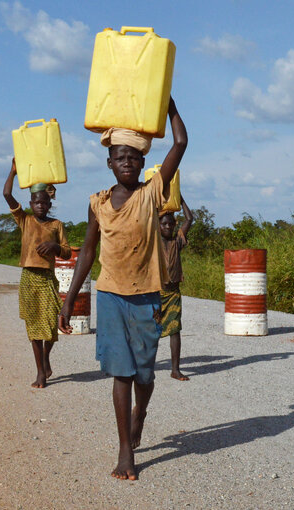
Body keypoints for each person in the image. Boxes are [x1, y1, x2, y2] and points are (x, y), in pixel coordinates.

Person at [59, 98, 186, 481]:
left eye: (134, 157)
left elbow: (179, 143)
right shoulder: (97, 203)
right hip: (112, 296)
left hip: (148, 296)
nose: (127, 162)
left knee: (145, 376)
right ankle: (125, 450)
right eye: (120, 157)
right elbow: (86, 254)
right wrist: (69, 300)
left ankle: (140, 414)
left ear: (142, 163)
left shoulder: (151, 195)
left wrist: (167, 102)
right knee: (122, 374)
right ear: (109, 162)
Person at [4, 159, 72, 388]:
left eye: (44, 202)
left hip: (46, 279)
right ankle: (40, 372)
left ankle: (45, 357)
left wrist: (54, 247)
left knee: (51, 326)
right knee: (34, 326)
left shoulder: (56, 225)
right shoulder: (24, 220)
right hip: (29, 278)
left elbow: (66, 251)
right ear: (31, 203)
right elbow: (6, 194)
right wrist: (13, 172)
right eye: (36, 202)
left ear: (49, 203)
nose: (40, 206)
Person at [159, 197, 194, 381]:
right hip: (155, 293)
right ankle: (145, 366)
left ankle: (175, 369)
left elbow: (189, 219)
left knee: (175, 330)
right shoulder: (152, 244)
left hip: (173, 293)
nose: (168, 227)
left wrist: (179, 200)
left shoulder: (177, 242)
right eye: (164, 224)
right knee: (150, 331)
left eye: (171, 224)